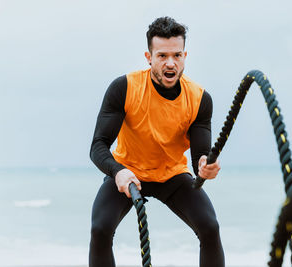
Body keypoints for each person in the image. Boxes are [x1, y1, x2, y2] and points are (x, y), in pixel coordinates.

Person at [89, 16, 225, 267]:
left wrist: (206, 167)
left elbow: (200, 159)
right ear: (148, 56)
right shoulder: (125, 88)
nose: (170, 63)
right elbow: (98, 146)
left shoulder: (199, 99)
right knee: (100, 229)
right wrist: (117, 172)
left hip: (171, 176)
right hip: (127, 172)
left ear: (185, 55)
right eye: (162, 56)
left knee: (209, 227)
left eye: (176, 55)